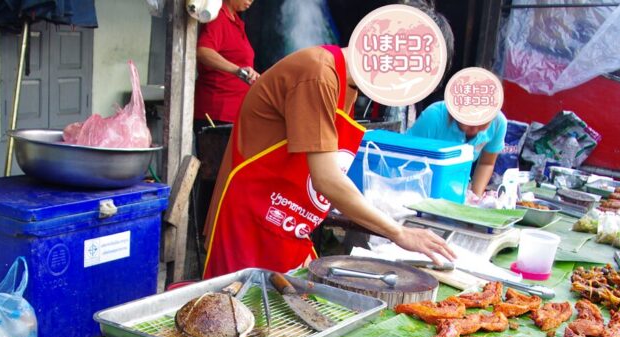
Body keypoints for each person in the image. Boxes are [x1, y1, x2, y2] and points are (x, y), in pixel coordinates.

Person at [202, 44, 454, 279]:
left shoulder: (347, 85)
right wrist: (398, 232)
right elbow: (326, 179)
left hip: (288, 224)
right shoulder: (319, 74)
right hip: (249, 220)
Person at [405, 100, 507, 197]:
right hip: (420, 187)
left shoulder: (498, 122)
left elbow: (486, 164)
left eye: (482, 124)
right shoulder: (434, 116)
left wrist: (475, 197)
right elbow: (406, 159)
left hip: (457, 188)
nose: (475, 129)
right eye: (469, 122)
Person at [193, 0, 259, 133]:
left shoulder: (235, 21)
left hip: (234, 114)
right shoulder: (217, 17)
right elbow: (203, 51)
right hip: (217, 114)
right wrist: (237, 71)